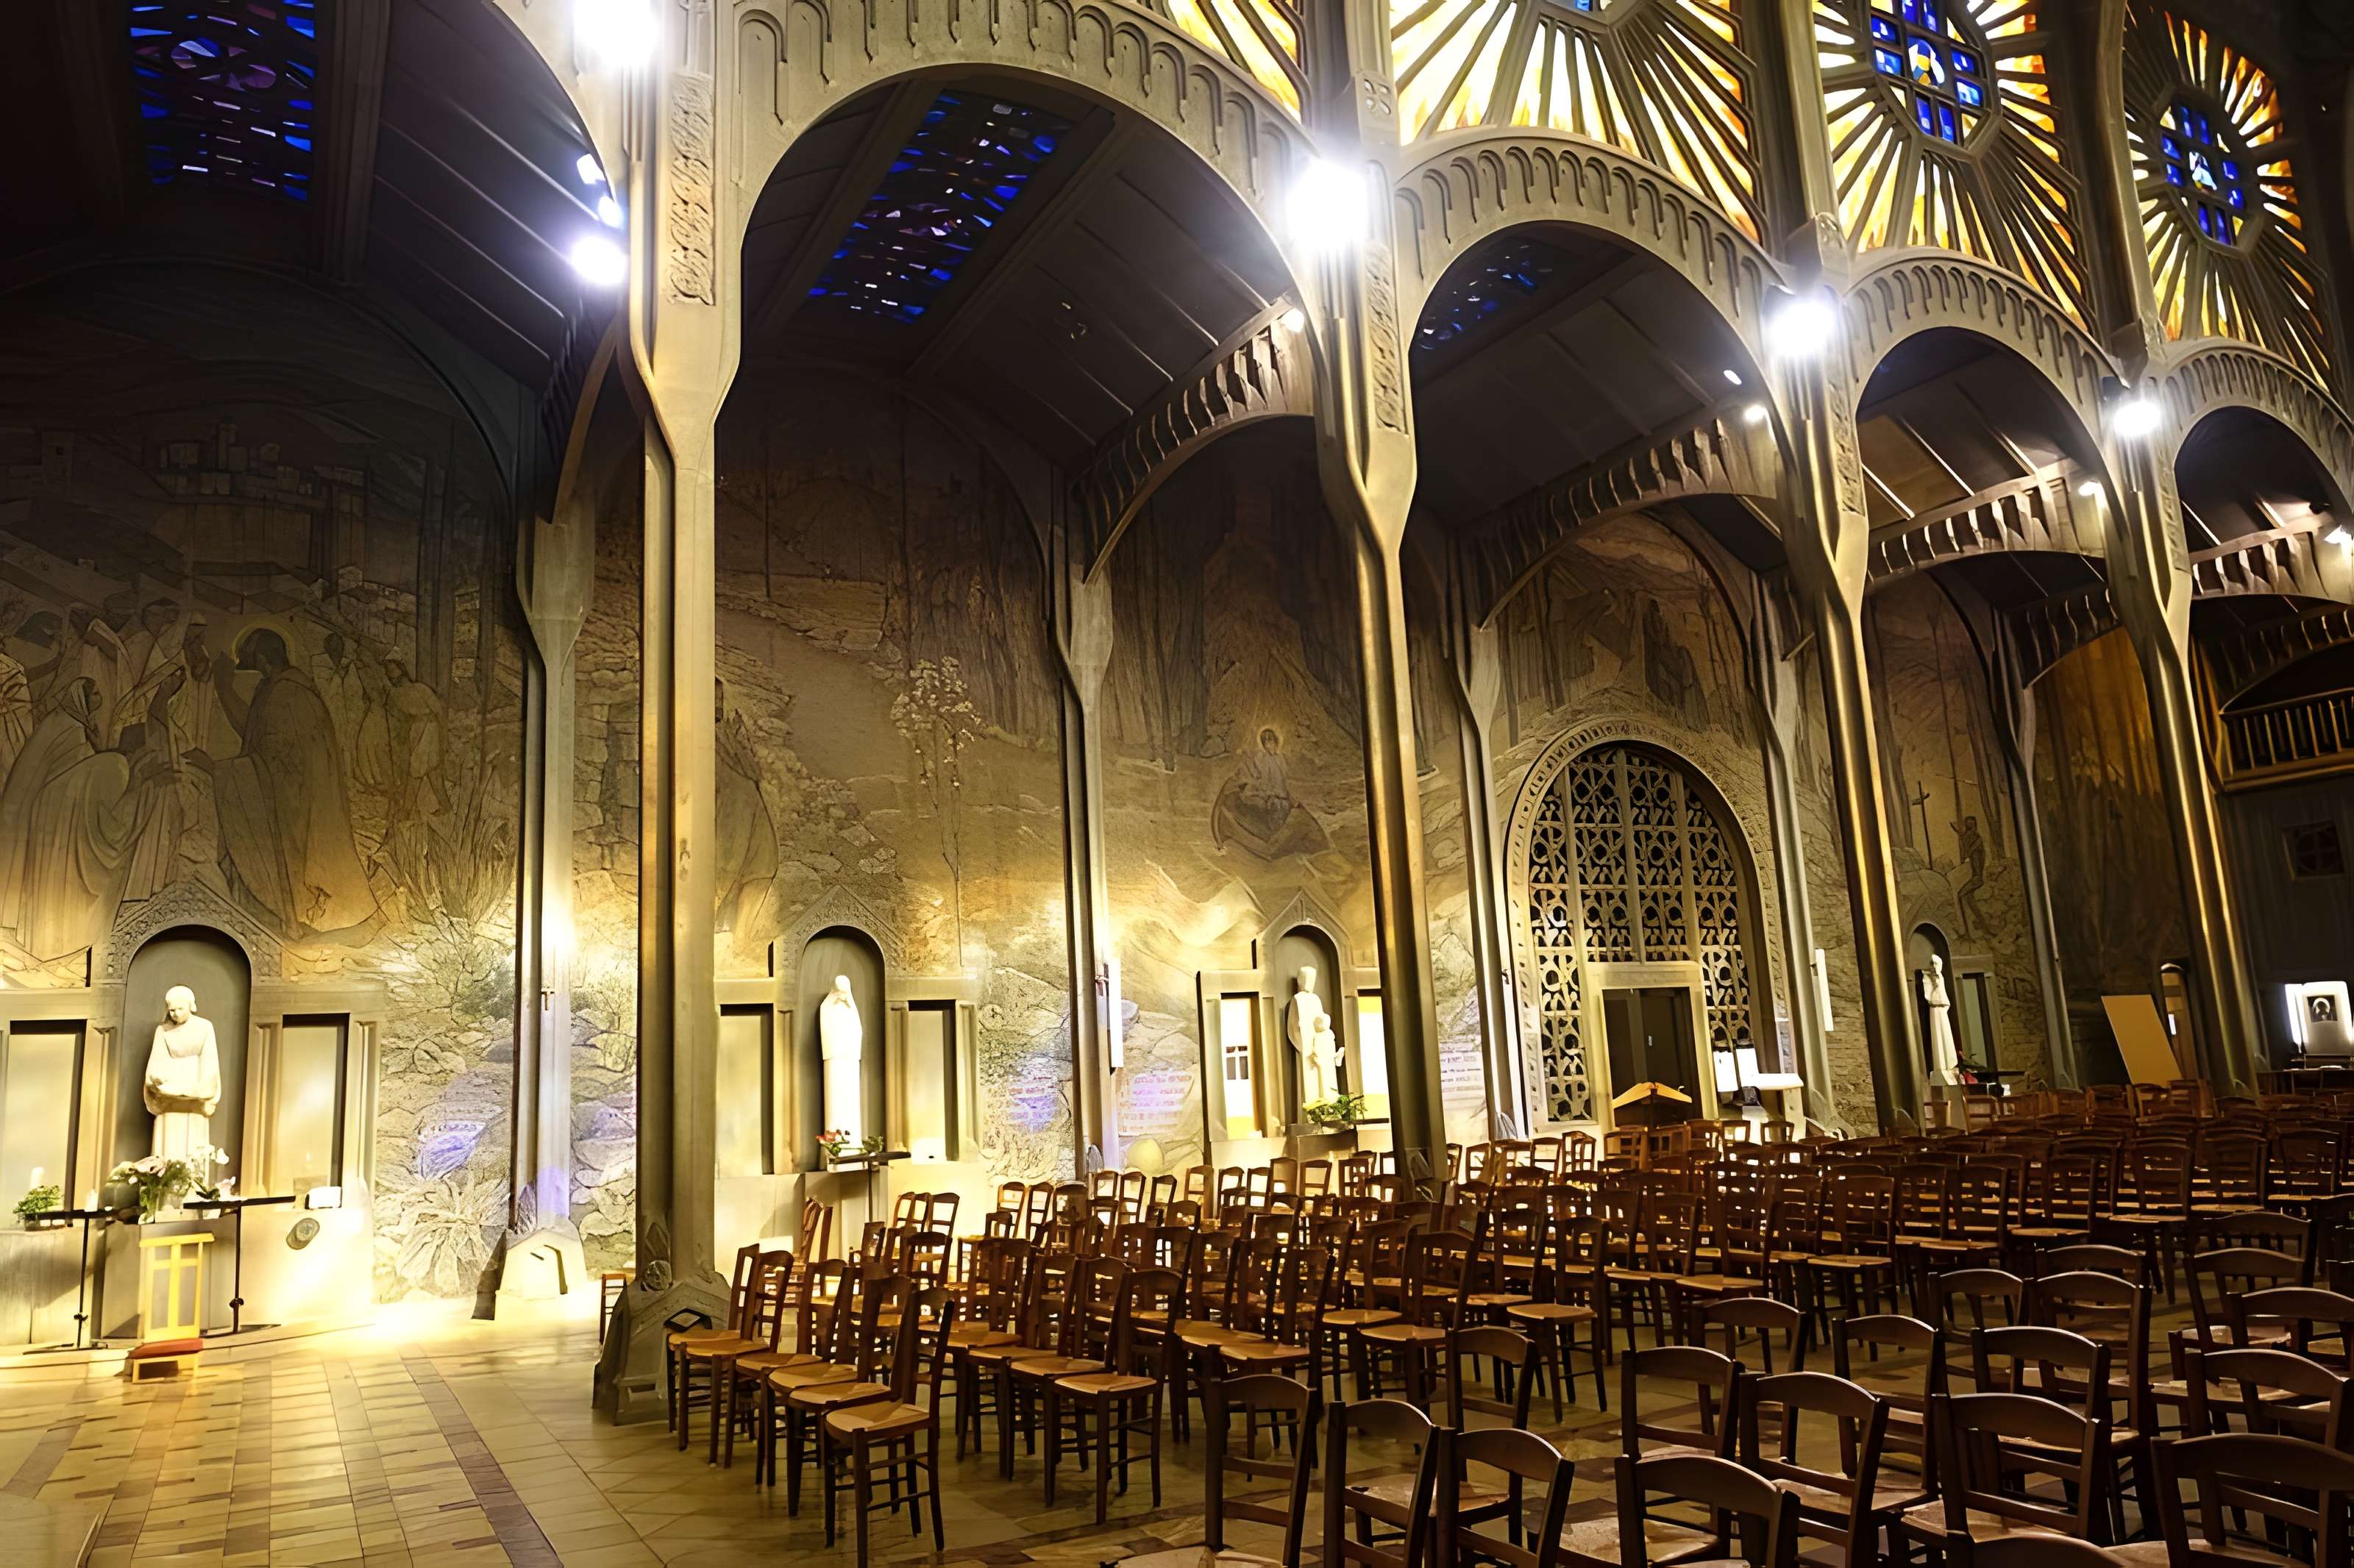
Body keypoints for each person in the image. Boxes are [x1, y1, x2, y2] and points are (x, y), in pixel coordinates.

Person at [188, 628, 374, 936]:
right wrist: (223, 687)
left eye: (248, 659)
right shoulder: (273, 687)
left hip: (299, 800)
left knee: (300, 867)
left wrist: (218, 770)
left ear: (262, 658)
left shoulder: (291, 694)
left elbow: (276, 760)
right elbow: (254, 732)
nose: (245, 664)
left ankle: (305, 920)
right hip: (289, 796)